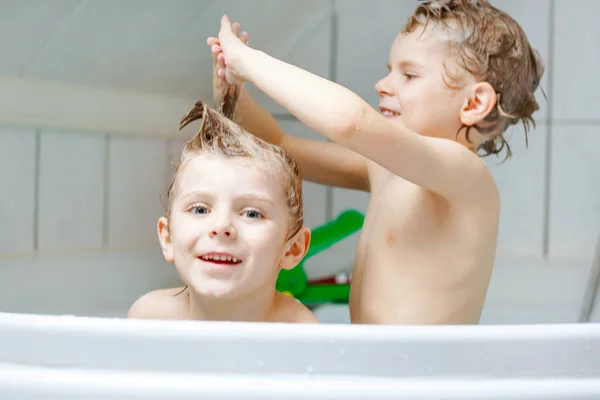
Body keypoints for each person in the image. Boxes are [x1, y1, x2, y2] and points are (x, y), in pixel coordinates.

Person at [206, 0, 545, 324]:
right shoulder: (386, 169)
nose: (382, 85)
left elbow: (351, 123)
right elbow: (280, 145)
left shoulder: (465, 176)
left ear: (473, 103)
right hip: (379, 365)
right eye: (389, 72)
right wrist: (234, 91)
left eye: (409, 75)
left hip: (426, 376)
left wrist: (249, 61)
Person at [127, 86, 318, 324]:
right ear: (167, 238)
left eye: (252, 213)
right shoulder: (150, 318)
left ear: (293, 249)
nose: (221, 226)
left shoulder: (297, 332)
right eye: (200, 209)